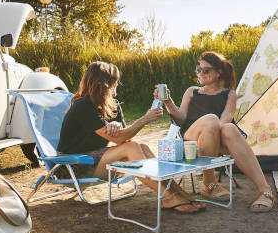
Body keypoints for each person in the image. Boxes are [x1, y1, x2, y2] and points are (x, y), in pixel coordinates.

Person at [58, 61, 204, 213]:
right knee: (132, 147)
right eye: (114, 84)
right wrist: (145, 119)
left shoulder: (112, 105)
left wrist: (118, 125)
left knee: (143, 147)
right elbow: (119, 140)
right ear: (103, 85)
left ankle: (179, 192)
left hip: (94, 158)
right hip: (72, 164)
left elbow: (124, 137)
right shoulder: (83, 106)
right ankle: (168, 198)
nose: (115, 89)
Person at [159, 51, 275, 212]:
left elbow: (226, 118)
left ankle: (265, 191)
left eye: (206, 70)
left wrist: (214, 131)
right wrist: (168, 102)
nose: (201, 73)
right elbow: (180, 118)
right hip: (191, 139)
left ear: (218, 72)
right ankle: (209, 183)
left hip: (216, 137)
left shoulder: (229, 94)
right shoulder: (192, 91)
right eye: (199, 69)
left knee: (228, 127)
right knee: (212, 120)